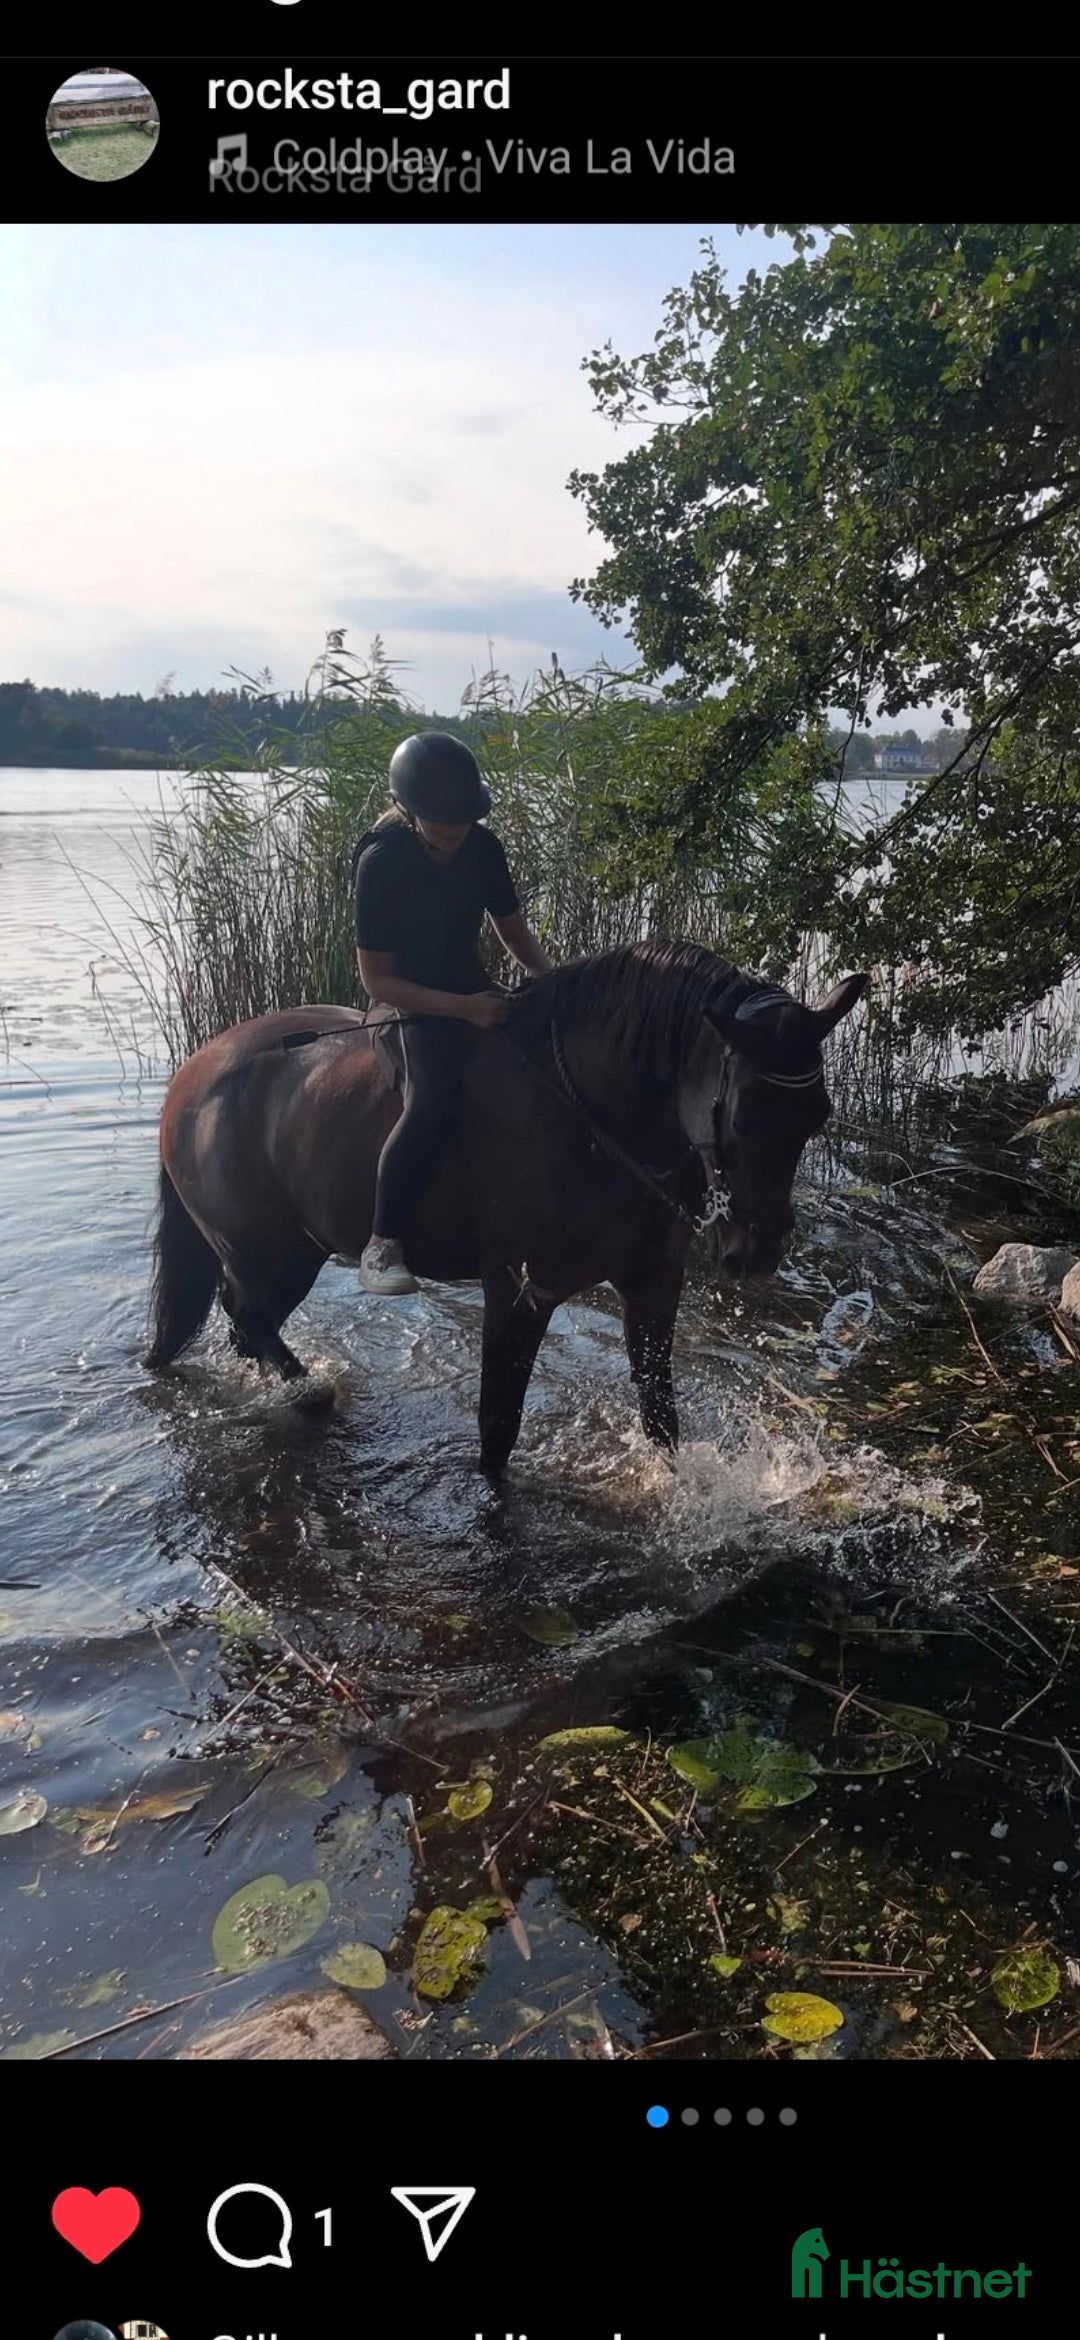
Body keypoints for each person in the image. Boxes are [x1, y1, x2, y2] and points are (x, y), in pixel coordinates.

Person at [354, 730, 553, 1294]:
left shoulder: (484, 848)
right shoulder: (382, 859)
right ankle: (382, 1244)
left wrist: (552, 983)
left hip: (469, 986)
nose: (455, 831)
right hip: (410, 996)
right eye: (442, 821)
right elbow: (377, 978)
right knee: (433, 1099)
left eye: (463, 820)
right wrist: (464, 1009)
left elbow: (512, 931)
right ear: (408, 810)